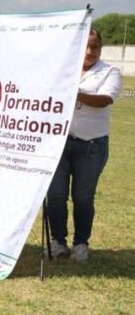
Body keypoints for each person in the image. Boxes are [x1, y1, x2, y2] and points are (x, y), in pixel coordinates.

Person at [46, 28, 121, 262]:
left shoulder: (110, 71)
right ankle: (58, 242)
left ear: (101, 48)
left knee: (83, 198)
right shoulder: (63, 69)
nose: (90, 51)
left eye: (95, 46)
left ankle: (81, 245)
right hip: (58, 143)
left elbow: (105, 100)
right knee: (55, 195)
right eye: (86, 46)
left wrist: (74, 94)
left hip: (91, 146)